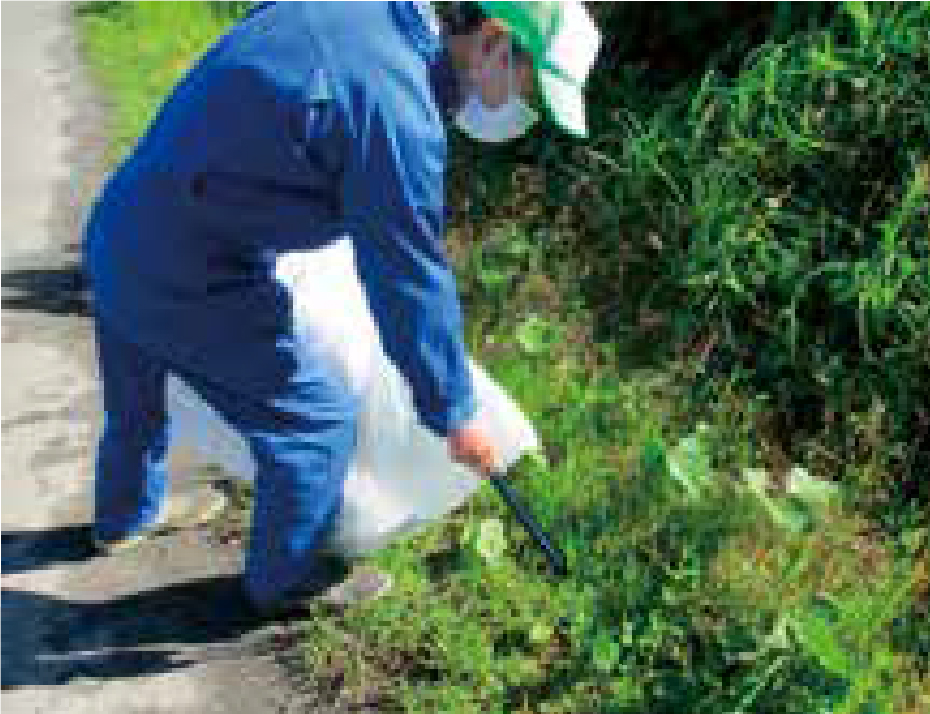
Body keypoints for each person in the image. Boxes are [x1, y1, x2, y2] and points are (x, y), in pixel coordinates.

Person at [82, 1, 600, 619]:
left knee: (138, 395)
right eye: (532, 95)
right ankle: (286, 578)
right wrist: (454, 413)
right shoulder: (398, 111)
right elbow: (408, 276)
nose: (527, 116)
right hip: (188, 266)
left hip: (121, 228)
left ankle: (123, 517)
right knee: (316, 422)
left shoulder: (369, 12)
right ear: (493, 41)